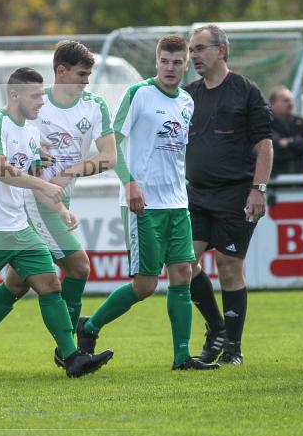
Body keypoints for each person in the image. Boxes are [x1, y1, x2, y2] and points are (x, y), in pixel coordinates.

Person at [0, 67, 114, 381]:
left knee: (50, 284)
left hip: (20, 228)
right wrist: (44, 185)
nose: (41, 102)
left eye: (42, 95)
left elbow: (32, 181)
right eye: (35, 96)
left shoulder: (31, 133)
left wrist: (60, 209)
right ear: (14, 95)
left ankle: (71, 357)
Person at [74, 35, 218, 370]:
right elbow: (112, 145)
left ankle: (182, 357)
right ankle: (90, 326)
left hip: (177, 203)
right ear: (156, 62)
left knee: (183, 273)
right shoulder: (138, 94)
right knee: (145, 285)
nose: (170, 68)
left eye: (177, 62)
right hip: (142, 204)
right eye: (165, 61)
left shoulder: (187, 101)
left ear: (185, 65)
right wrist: (129, 184)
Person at [184, 24, 273, 366]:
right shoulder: (188, 94)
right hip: (195, 195)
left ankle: (232, 349)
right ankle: (217, 327)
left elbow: (264, 145)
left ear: (221, 50)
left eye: (200, 48)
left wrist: (258, 189)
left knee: (228, 266)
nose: (194, 56)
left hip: (236, 194)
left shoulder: (245, 90)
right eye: (191, 50)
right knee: (183, 264)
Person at [269, 85, 303, 178]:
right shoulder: (265, 123)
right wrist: (299, 146)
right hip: (276, 181)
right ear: (272, 104)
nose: (290, 103)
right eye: (285, 100)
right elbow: (273, 149)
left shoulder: (299, 121)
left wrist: (290, 142)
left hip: (300, 180)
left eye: (291, 100)